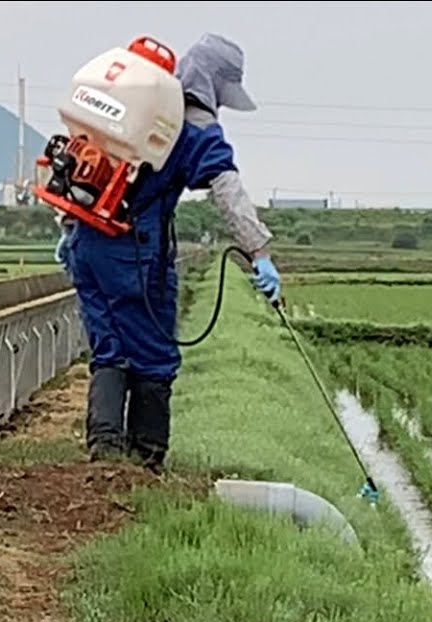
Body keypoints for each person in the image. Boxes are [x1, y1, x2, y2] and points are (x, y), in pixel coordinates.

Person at [56, 32, 280, 472]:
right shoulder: (191, 125)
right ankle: (146, 459)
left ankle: (104, 449)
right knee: (153, 353)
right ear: (216, 83)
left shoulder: (137, 103)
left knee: (108, 345)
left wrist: (67, 232)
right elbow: (227, 190)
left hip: (85, 243)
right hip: (134, 256)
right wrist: (260, 251)